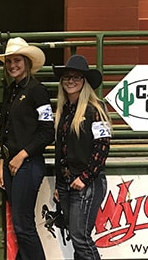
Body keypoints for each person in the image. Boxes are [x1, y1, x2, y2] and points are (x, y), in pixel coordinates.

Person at [0, 37, 55, 260]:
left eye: (16, 60)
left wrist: (21, 154)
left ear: (27, 62)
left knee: (23, 224)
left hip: (27, 164)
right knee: (21, 224)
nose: (12, 66)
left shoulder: (37, 91)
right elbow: (7, 130)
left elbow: (48, 131)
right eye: (8, 61)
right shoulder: (13, 90)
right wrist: (3, 161)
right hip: (14, 164)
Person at [52, 54, 112, 260]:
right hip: (68, 182)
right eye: (67, 77)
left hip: (87, 182)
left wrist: (85, 177)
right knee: (78, 236)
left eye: (76, 78)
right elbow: (61, 150)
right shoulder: (64, 111)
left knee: (80, 237)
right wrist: (60, 183)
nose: (70, 81)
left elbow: (102, 147)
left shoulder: (96, 109)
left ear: (84, 82)